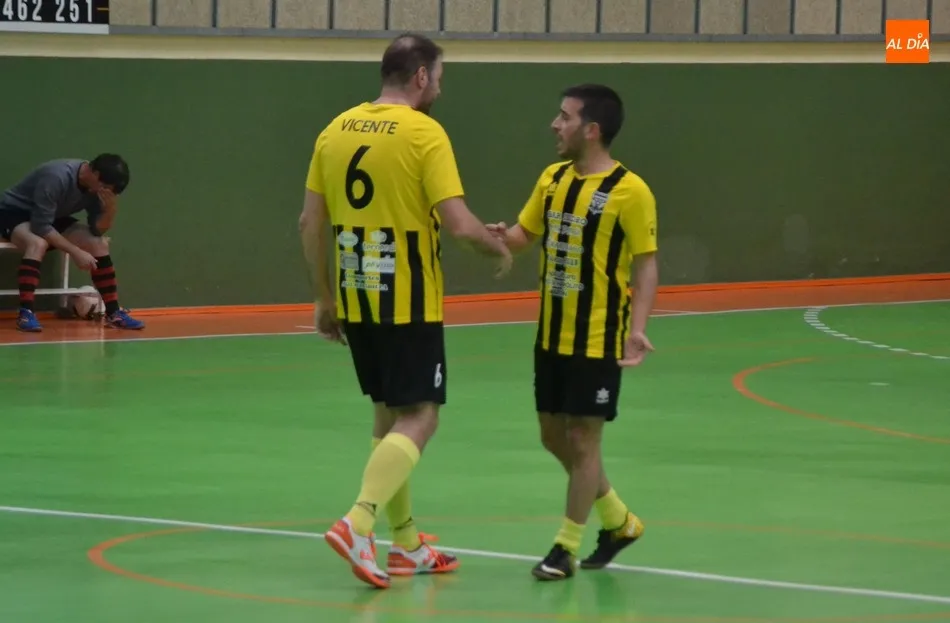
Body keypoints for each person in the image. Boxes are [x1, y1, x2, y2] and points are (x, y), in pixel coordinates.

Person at [298, 32, 513, 589]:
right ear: (421, 76)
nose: (438, 87)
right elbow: (459, 223)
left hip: (356, 293)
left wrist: (323, 296)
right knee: (420, 416)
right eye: (438, 77)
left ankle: (407, 544)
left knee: (388, 416)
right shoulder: (424, 132)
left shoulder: (335, 129)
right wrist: (498, 247)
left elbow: (309, 223)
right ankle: (358, 521)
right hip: (408, 299)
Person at [486, 84, 659, 581]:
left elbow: (646, 264)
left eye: (564, 117)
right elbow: (524, 235)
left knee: (584, 439)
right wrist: (496, 237)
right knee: (552, 436)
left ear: (592, 130)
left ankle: (566, 548)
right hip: (551, 335)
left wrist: (637, 329)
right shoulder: (552, 179)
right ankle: (619, 521)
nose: (554, 125)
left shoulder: (631, 191)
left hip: (598, 336)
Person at [0, 155, 145, 332]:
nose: (105, 192)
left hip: (51, 216)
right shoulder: (56, 177)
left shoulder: (95, 189)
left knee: (98, 244)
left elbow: (97, 230)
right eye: (105, 187)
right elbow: (41, 227)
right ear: (95, 174)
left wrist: (110, 209)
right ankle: (26, 312)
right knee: (37, 243)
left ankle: (114, 313)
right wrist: (75, 252)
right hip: (14, 213)